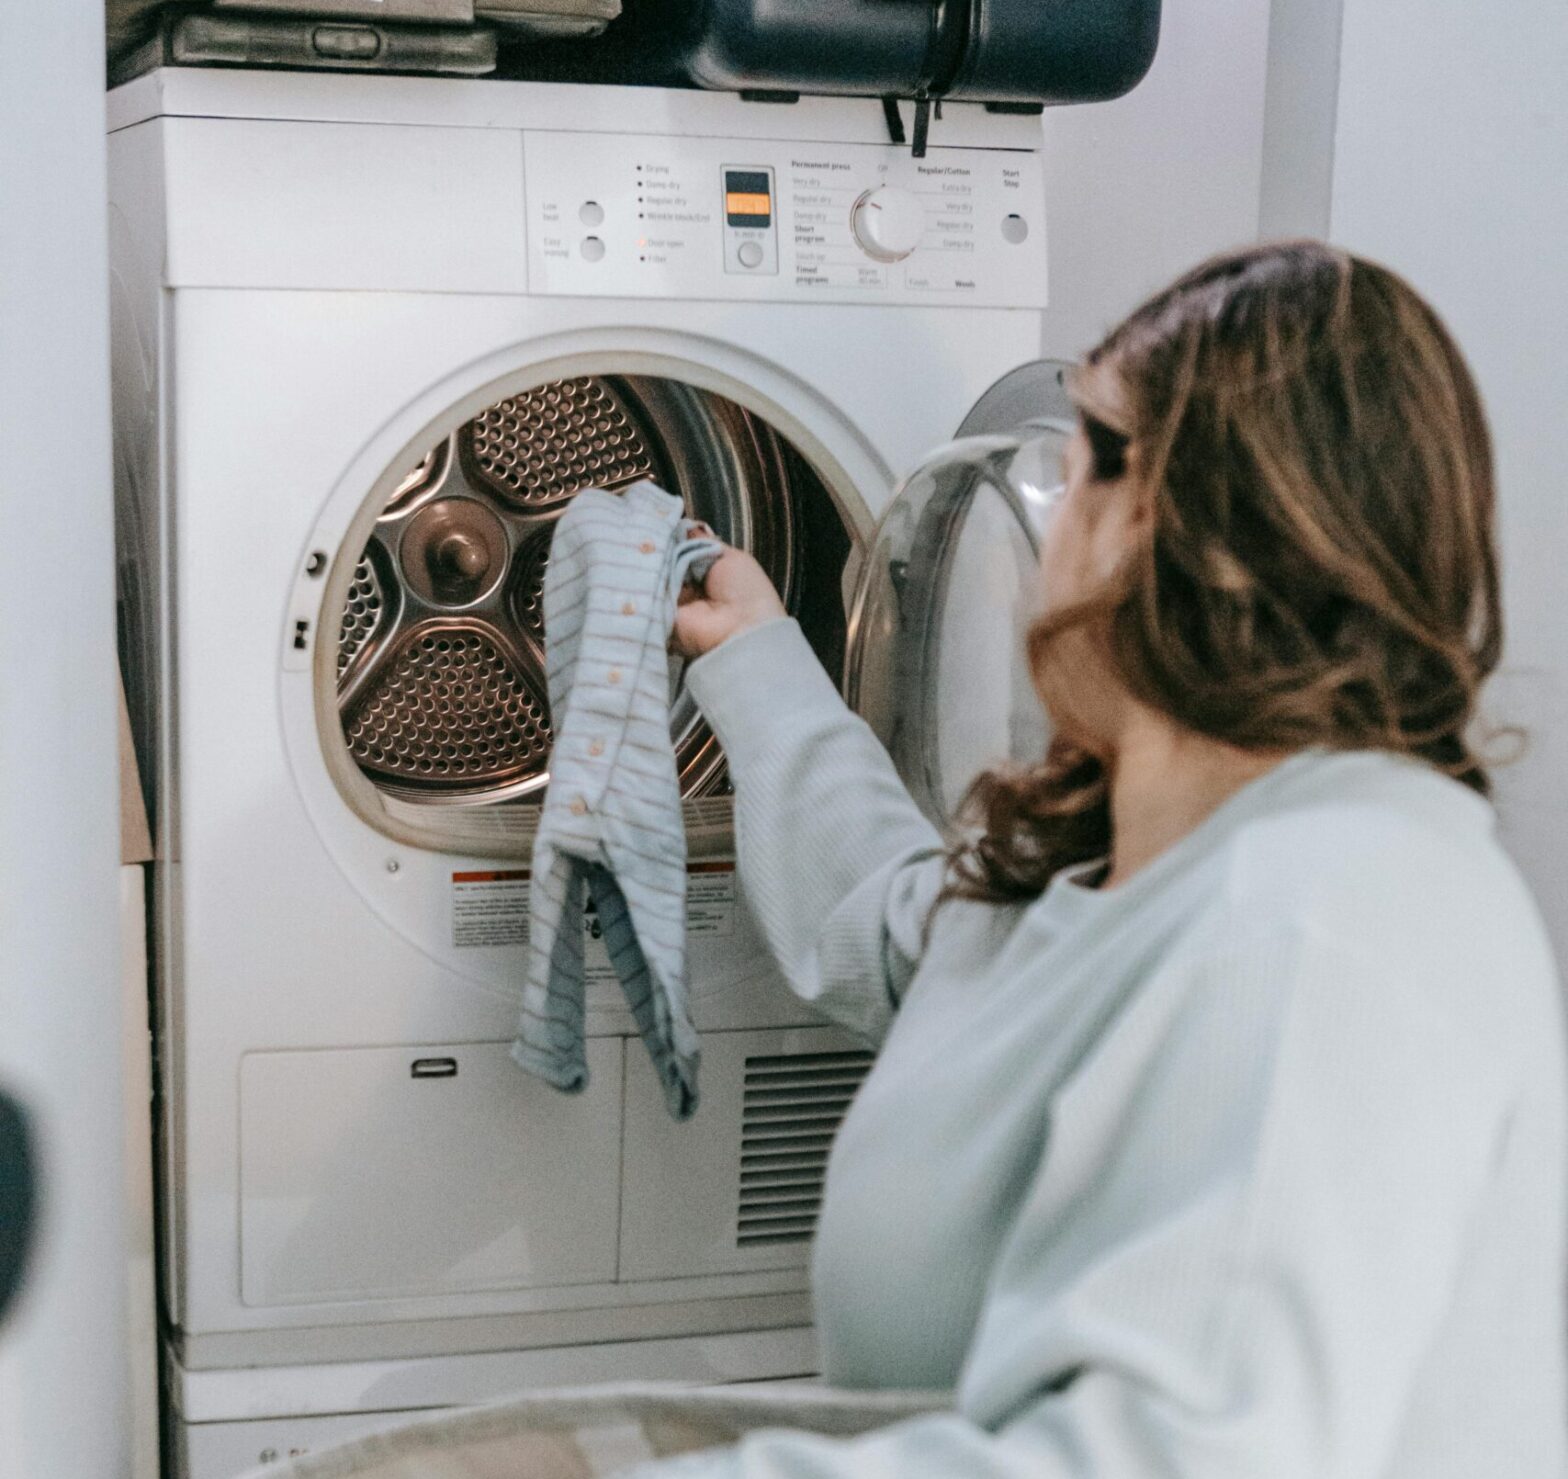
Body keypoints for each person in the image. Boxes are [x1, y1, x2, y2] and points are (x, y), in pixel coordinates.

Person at [645, 242, 1568, 1477]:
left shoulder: (1326, 919)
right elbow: (893, 922)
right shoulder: (1116, 865)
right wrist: (754, 657)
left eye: (1076, 462)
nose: (1044, 516)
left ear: (1189, 527)